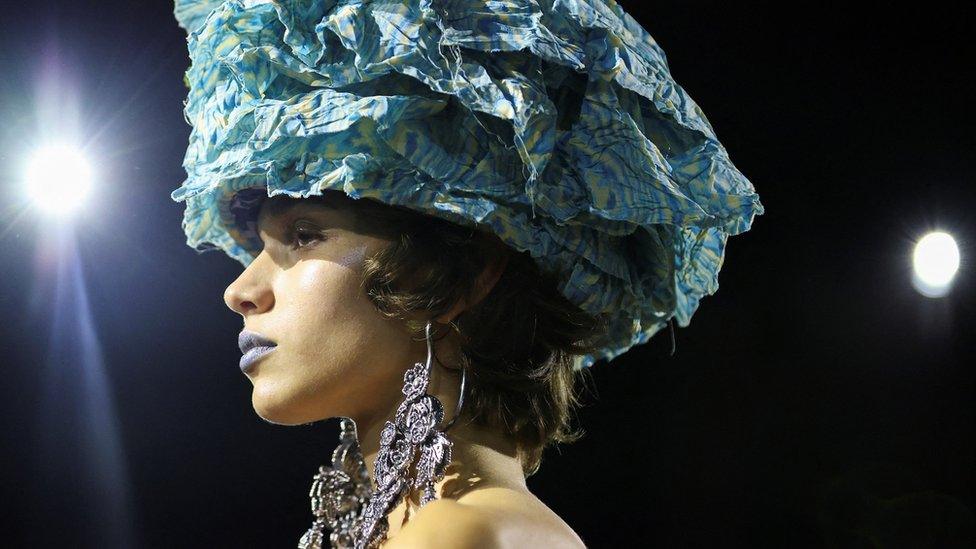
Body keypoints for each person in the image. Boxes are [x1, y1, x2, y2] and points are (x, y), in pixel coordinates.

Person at [171, 1, 763, 547]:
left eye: (303, 235)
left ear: (460, 275)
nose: (239, 291)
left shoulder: (475, 534)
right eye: (262, 244)